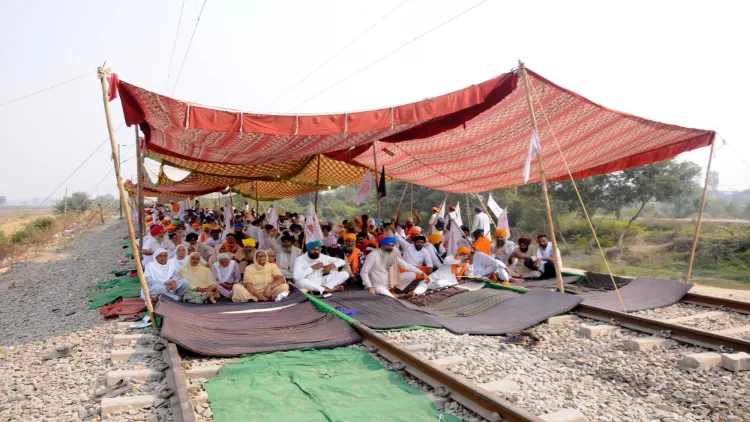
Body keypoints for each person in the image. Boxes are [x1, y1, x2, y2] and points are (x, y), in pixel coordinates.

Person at [360, 236, 430, 298]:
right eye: (388, 245)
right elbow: (364, 272)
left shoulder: (391, 255)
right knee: (390, 299)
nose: (390, 247)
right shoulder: (373, 255)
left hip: (389, 282)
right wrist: (370, 287)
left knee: (411, 274)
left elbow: (406, 265)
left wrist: (421, 273)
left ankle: (395, 292)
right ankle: (396, 295)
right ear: (381, 246)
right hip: (377, 285)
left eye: (392, 246)